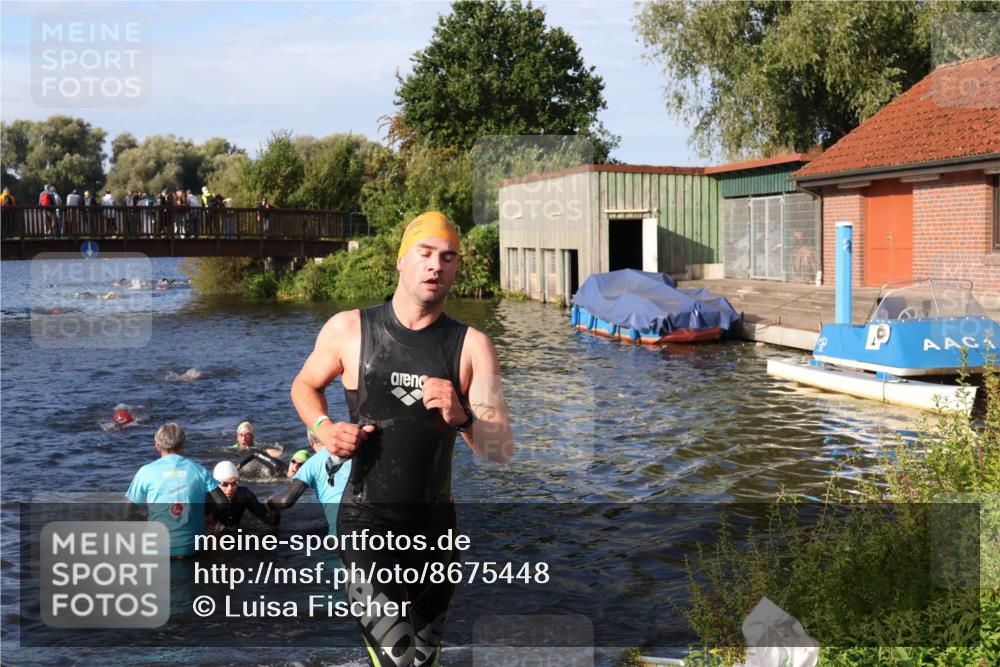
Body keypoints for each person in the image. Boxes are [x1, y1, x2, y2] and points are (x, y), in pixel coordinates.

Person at [290, 210, 514, 666]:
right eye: (426, 253)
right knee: (398, 659)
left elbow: (500, 449)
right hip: (366, 525)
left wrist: (462, 416)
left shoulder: (472, 347)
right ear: (401, 261)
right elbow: (304, 386)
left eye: (448, 258)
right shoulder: (349, 329)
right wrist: (323, 429)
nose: (436, 266)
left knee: (423, 660)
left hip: (435, 534)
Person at [125, 423, 227, 558]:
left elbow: (126, 513)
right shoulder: (198, 470)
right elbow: (223, 503)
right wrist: (210, 520)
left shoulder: (145, 472)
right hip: (192, 549)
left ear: (157, 446)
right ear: (183, 445)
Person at [266, 430, 352, 535]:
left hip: (341, 531)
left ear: (310, 440)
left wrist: (270, 504)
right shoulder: (351, 451)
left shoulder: (312, 463)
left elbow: (286, 501)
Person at [205, 461, 279, 534]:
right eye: (224, 484)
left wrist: (274, 510)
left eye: (234, 483)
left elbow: (271, 522)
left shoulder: (244, 494)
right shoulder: (206, 498)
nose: (230, 488)